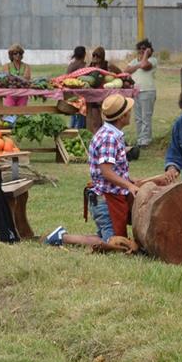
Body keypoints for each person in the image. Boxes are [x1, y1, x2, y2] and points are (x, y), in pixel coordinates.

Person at [46, 94, 141, 249]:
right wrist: (129, 186)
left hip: (107, 197)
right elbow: (107, 172)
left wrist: (130, 180)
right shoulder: (109, 138)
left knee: (110, 239)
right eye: (129, 111)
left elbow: (114, 169)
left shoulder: (110, 134)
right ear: (123, 116)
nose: (130, 113)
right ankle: (63, 237)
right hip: (107, 200)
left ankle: (62, 236)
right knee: (113, 245)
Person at [125, 38, 157, 156]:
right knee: (138, 117)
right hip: (136, 92)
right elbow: (127, 71)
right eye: (140, 49)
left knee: (146, 117)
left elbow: (144, 65)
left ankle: (145, 140)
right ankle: (140, 139)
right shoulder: (135, 61)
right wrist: (138, 63)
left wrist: (146, 55)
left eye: (144, 49)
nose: (141, 51)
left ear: (149, 51)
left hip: (147, 91)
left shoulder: (152, 60)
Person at [67, 46, 88, 129]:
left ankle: (72, 131)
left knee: (74, 115)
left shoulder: (71, 64)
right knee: (80, 116)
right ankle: (77, 132)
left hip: (71, 94)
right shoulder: (81, 65)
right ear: (84, 54)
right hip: (79, 96)